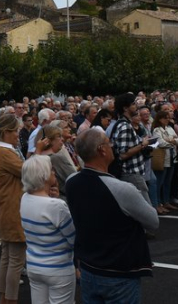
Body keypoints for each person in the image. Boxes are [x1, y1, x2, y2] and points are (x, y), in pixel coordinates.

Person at [66, 128, 159, 304]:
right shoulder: (121, 189)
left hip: (88, 267)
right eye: (109, 143)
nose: (112, 146)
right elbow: (153, 222)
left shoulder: (71, 181)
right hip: (119, 272)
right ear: (102, 149)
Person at [20, 155, 75, 304]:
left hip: (34, 265)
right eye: (51, 170)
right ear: (43, 176)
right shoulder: (56, 206)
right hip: (59, 268)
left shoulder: (25, 198)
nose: (54, 172)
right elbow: (74, 239)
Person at [0, 114, 25, 304]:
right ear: (6, 132)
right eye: (15, 131)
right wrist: (41, 153)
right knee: (16, 258)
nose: (18, 135)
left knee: (7, 255)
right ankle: (10, 299)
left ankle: (4, 298)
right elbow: (28, 171)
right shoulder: (3, 152)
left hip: (4, 204)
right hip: (11, 206)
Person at [151, 110, 178, 212]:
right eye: (165, 118)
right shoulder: (156, 130)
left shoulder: (169, 128)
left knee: (168, 181)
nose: (168, 119)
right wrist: (173, 141)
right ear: (160, 119)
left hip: (172, 157)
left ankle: (166, 201)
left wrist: (170, 141)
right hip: (162, 159)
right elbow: (161, 143)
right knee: (160, 182)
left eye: (168, 117)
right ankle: (158, 202)